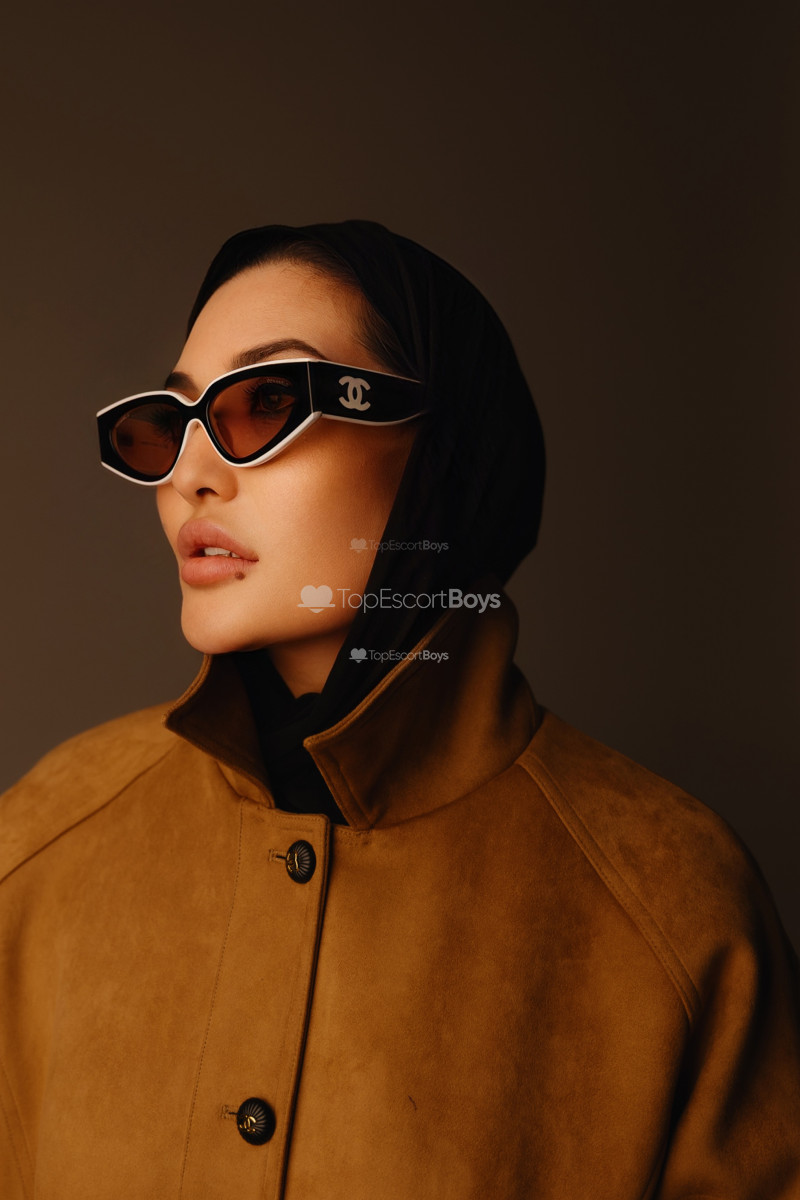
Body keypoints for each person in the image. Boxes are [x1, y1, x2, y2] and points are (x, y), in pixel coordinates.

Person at [0, 219, 798, 1199]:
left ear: (438, 453)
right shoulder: (39, 844)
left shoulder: (674, 903)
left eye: (265, 401)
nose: (191, 476)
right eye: (173, 423)